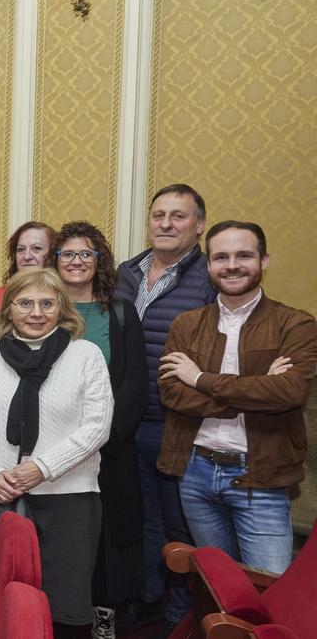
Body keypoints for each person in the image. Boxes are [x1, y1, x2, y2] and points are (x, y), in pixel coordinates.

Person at [0, 268, 114, 637]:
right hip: (1, 499)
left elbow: (97, 426)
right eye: (25, 303)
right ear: (8, 309)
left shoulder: (84, 355)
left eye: (47, 303)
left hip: (70, 500)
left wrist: (42, 468)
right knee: (0, 603)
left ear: (62, 308)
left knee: (66, 610)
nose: (36, 312)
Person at [158, 221, 317, 576]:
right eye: (221, 257)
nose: (232, 265)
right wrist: (257, 389)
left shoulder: (296, 324)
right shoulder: (186, 324)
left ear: (264, 261)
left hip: (261, 475)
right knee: (216, 584)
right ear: (209, 265)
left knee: (269, 588)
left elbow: (290, 392)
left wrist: (199, 379)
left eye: (244, 255)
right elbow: (172, 392)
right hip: (195, 471)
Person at [114, 184, 215, 637]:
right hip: (123, 423)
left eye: (179, 216)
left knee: (181, 523)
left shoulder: (210, 276)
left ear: (199, 224)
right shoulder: (126, 271)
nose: (167, 224)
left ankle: (180, 613)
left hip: (180, 424)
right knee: (139, 518)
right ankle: (148, 599)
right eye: (159, 215)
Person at [51, 222, 148, 639]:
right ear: (54, 262)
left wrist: (98, 435)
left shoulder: (121, 313)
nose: (76, 262)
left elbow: (133, 383)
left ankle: (103, 616)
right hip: (52, 449)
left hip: (108, 449)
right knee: (64, 536)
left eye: (85, 254)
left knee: (108, 535)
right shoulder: (43, 310)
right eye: (67, 254)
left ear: (99, 261)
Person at [0, 221, 58, 307]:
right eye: (21, 249)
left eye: (36, 248)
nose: (27, 257)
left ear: (52, 254)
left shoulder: (64, 296)